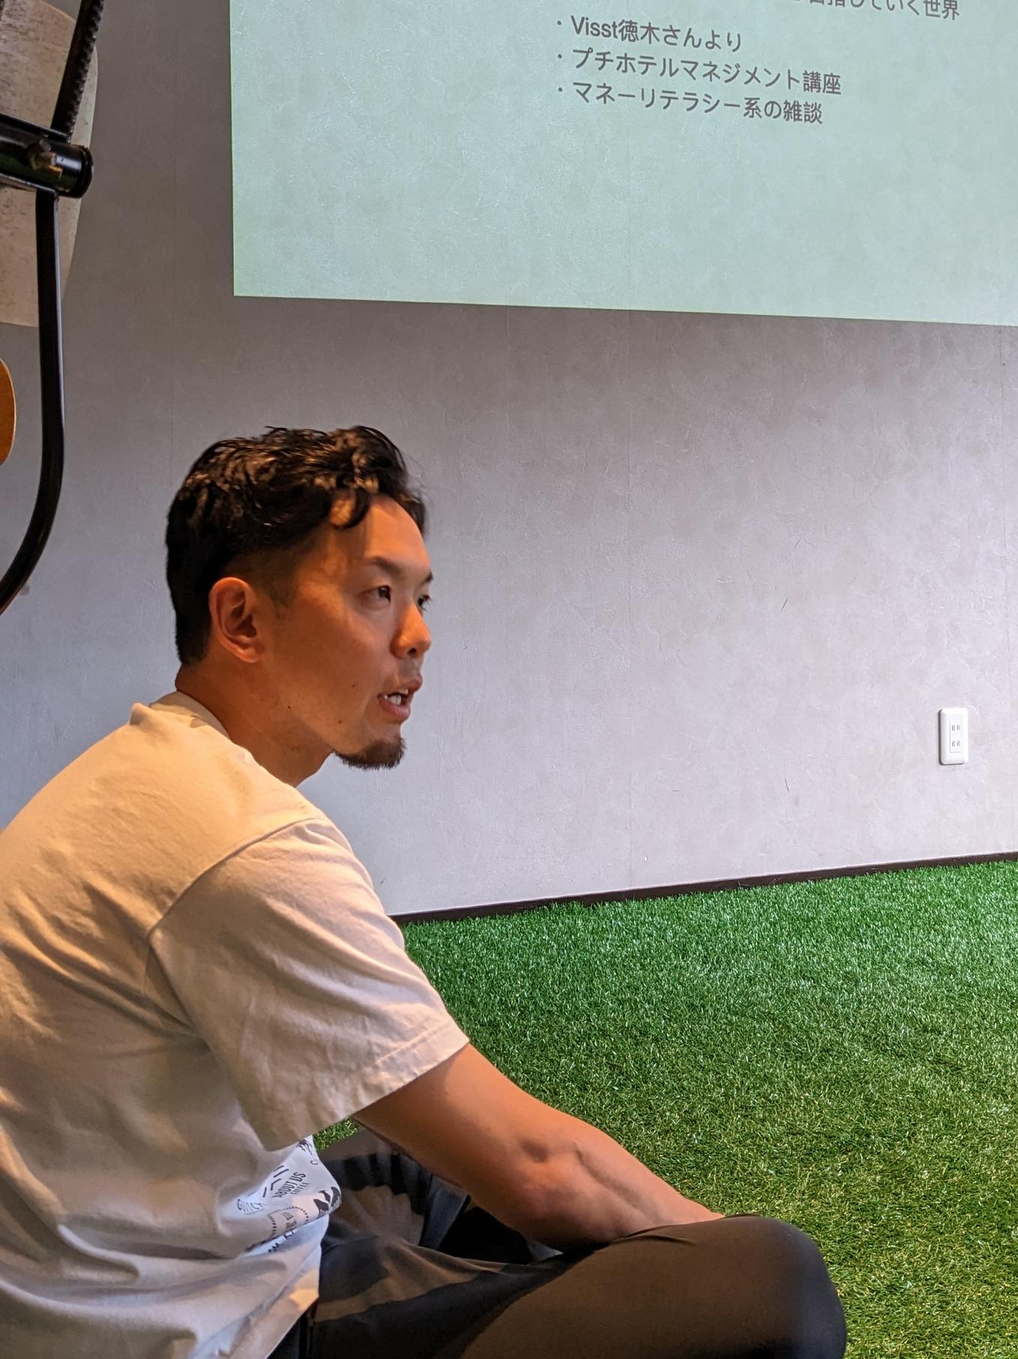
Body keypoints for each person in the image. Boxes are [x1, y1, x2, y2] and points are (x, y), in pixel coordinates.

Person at [0, 426, 846, 1358]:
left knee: (423, 1164)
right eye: (377, 595)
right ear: (241, 620)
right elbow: (538, 1171)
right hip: (196, 1331)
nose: (418, 634)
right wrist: (711, 1247)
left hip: (132, 1269)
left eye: (419, 597)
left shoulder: (144, 771)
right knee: (771, 1286)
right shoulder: (243, 842)